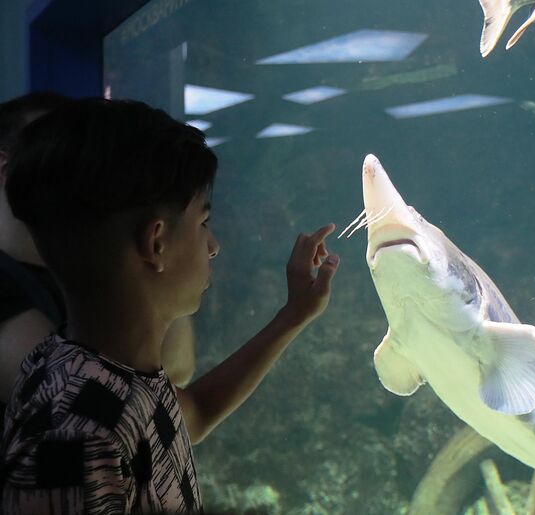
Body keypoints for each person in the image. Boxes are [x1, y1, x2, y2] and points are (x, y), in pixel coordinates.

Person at [0, 97, 340, 513]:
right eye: (202, 222)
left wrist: (293, 316)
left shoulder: (97, 369)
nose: (213, 246)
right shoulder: (77, 439)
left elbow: (189, 414)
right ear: (156, 243)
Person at [0, 94, 198, 431]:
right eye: (64, 152)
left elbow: (175, 373)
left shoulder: (89, 264)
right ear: (7, 169)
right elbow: (107, 411)